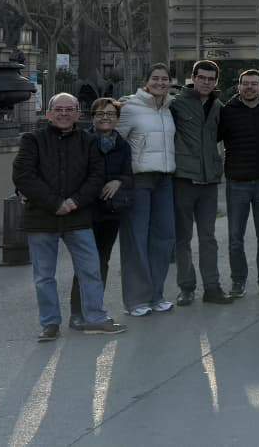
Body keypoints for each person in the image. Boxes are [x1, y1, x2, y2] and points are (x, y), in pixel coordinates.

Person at [14, 93, 127, 341]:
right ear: (49, 113)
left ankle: (95, 317)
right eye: (59, 109)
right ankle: (50, 323)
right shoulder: (32, 140)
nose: (64, 113)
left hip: (78, 216)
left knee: (90, 269)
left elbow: (96, 176)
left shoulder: (88, 142)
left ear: (78, 114)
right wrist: (55, 203)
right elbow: (24, 176)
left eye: (70, 109)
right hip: (42, 217)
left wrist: (74, 201)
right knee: (44, 276)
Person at [116, 63, 178, 317]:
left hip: (164, 180)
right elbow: (116, 143)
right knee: (136, 241)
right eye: (156, 78)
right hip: (138, 180)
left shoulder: (168, 108)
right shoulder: (130, 107)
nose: (161, 83)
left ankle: (156, 295)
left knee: (163, 240)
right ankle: (136, 300)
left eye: (165, 79)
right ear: (146, 81)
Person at [169, 60, 230, 306]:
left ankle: (212, 287)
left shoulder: (218, 106)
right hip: (183, 178)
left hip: (209, 181)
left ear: (216, 81)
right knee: (182, 238)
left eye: (211, 78)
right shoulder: (176, 104)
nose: (206, 82)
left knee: (208, 237)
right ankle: (186, 287)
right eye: (202, 77)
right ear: (193, 77)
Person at [69, 97, 131, 330]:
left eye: (110, 114)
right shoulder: (83, 141)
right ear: (92, 117)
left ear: (117, 119)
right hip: (86, 210)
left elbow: (128, 173)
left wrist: (118, 181)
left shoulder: (122, 144)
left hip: (110, 212)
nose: (105, 118)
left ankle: (94, 310)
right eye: (100, 114)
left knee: (101, 262)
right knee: (85, 263)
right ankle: (77, 313)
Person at [218, 69, 259, 299]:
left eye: (254, 83)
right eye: (245, 83)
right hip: (236, 182)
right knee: (235, 237)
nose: (250, 87)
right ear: (239, 86)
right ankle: (238, 281)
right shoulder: (227, 111)